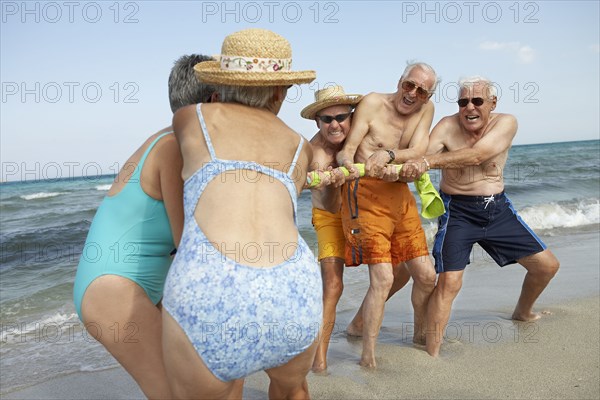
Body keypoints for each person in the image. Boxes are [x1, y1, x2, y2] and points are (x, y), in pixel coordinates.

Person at [161, 29, 322, 399]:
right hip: (293, 290)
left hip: (213, 289)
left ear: (220, 83)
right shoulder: (299, 145)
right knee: (292, 390)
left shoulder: (191, 118)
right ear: (280, 92)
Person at [72, 54, 216, 399]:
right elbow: (188, 242)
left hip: (130, 287)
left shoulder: (170, 139)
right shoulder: (173, 149)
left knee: (187, 385)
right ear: (213, 101)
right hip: (113, 289)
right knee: (173, 392)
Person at [404, 76, 560, 357]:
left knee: (546, 267)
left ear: (492, 103)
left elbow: (479, 155)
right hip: (458, 212)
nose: (469, 108)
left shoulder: (506, 122)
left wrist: (427, 162)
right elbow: (420, 154)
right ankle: (432, 354)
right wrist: (403, 162)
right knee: (449, 283)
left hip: (496, 209)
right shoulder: (447, 126)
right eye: (463, 102)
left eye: (477, 101)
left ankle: (523, 313)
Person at [335, 62, 439, 367]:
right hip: (363, 195)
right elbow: (347, 148)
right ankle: (368, 356)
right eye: (409, 85)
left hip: (399, 198)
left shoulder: (425, 109)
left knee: (426, 276)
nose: (413, 94)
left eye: (422, 91)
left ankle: (418, 336)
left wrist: (390, 155)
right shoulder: (372, 103)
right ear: (400, 81)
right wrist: (348, 164)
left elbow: (419, 148)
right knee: (383, 277)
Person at [300, 85, 362, 373]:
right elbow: (322, 199)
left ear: (351, 117)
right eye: (327, 119)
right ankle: (319, 358)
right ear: (317, 122)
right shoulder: (315, 154)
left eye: (341, 117)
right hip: (328, 217)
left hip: (360, 214)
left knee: (398, 272)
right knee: (334, 285)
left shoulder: (360, 139)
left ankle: (360, 321)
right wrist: (327, 183)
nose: (335, 124)